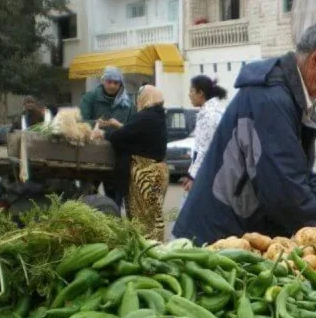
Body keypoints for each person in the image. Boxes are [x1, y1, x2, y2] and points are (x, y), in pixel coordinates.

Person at [172, 22, 316, 244]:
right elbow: (284, 187)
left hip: (239, 233)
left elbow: (301, 175)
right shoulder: (270, 99)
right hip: (215, 236)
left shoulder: (292, 98)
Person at [92, 85, 168, 240]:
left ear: (146, 98)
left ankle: (146, 251)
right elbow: (136, 134)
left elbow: (122, 136)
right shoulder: (157, 116)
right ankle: (156, 249)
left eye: (140, 96)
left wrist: (103, 134)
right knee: (153, 217)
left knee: (142, 219)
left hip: (144, 174)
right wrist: (117, 125)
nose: (137, 100)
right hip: (155, 171)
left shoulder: (146, 116)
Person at [79, 67, 135, 206]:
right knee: (87, 198)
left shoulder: (127, 104)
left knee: (114, 201)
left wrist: (119, 125)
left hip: (116, 157)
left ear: (120, 84)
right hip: (91, 156)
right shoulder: (90, 98)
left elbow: (133, 129)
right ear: (103, 81)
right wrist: (95, 123)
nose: (112, 85)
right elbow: (79, 122)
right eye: (109, 82)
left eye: (116, 83)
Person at [183, 76, 228, 191]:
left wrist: (193, 176)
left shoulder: (209, 115)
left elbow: (204, 150)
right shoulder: (215, 110)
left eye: (191, 91)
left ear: (200, 93)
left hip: (210, 175)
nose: (189, 94)